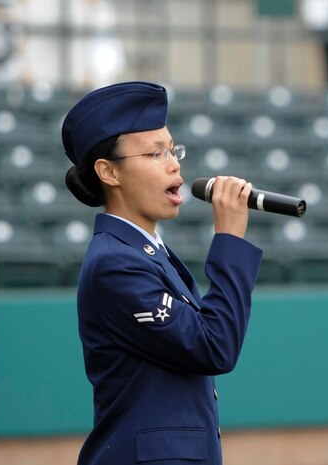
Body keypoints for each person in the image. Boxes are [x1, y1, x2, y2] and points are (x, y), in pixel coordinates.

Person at [61, 81, 263, 465]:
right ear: (109, 172)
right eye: (155, 153)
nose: (174, 163)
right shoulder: (115, 264)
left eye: (173, 150)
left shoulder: (146, 251)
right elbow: (215, 346)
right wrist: (229, 239)